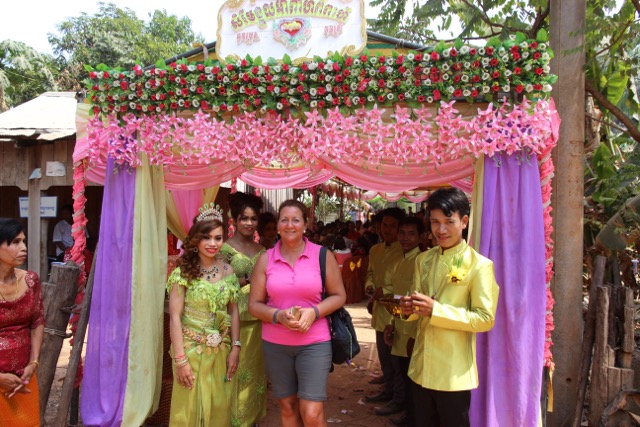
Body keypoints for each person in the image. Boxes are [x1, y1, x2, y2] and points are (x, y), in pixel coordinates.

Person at [400, 188, 499, 426]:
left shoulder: (479, 266)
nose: (441, 230)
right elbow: (417, 307)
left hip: (454, 373)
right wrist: (407, 311)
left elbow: (485, 318)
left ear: (464, 222)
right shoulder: (423, 260)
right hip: (421, 367)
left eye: (448, 222)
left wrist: (436, 310)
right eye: (435, 222)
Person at [249, 200, 346, 427]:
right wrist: (277, 316)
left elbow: (339, 296)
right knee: (288, 407)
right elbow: (254, 304)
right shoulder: (266, 259)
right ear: (278, 224)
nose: (289, 225)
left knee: (311, 411)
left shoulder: (322, 255)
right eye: (284, 220)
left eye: (295, 220)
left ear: (305, 224)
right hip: (276, 344)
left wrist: (314, 312)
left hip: (315, 342)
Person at [167, 207, 241, 426]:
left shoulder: (228, 271)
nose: (212, 243)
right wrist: (180, 360)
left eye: (218, 238)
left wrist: (236, 347)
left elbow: (234, 310)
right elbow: (174, 317)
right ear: (196, 239)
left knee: (219, 405)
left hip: (221, 350)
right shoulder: (183, 271)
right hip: (189, 350)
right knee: (188, 409)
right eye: (206, 237)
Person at [221, 192, 268, 427]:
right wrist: (237, 282)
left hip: (259, 320)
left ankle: (251, 419)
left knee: (255, 373)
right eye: (244, 218)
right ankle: (233, 420)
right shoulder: (224, 248)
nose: (249, 223)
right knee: (235, 371)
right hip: (234, 320)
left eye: (253, 219)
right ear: (234, 220)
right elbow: (215, 284)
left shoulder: (262, 248)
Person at [0, 218, 44, 426]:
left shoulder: (31, 280)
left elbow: (37, 321)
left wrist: (33, 363)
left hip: (24, 379)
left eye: (23, 241)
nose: (23, 247)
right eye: (15, 242)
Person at [382, 217, 424, 426]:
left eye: (411, 234)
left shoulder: (423, 261)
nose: (405, 238)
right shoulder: (400, 262)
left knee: (413, 378)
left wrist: (415, 335)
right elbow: (395, 297)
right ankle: (408, 415)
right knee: (403, 374)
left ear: (421, 236)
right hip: (400, 326)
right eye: (402, 233)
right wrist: (391, 322)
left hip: (414, 331)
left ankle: (414, 417)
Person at [364, 208, 406, 414]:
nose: (387, 230)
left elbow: (407, 281)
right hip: (379, 309)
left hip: (397, 311)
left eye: (392, 226)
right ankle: (388, 391)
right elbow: (370, 272)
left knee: (397, 359)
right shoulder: (375, 250)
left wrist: (386, 290)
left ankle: (398, 398)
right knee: (383, 354)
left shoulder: (405, 250)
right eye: (384, 225)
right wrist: (370, 287)